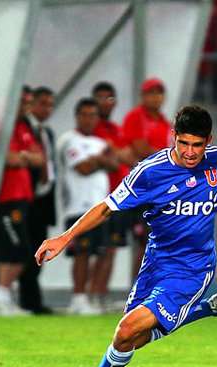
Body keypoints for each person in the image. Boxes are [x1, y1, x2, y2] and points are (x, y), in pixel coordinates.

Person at [35, 105, 217, 367]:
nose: (190, 152)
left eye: (197, 145)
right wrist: (64, 237)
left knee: (127, 329)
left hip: (194, 268)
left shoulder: (216, 159)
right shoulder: (149, 172)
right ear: (173, 136)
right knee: (130, 338)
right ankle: (205, 309)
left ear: (208, 141)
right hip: (156, 262)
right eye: (183, 143)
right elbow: (106, 207)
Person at [58, 98, 119, 315]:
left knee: (99, 252)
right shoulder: (70, 140)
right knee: (81, 254)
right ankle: (78, 298)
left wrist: (97, 160)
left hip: (99, 207)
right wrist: (101, 160)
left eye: (93, 115)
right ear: (77, 117)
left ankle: (90, 296)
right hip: (78, 207)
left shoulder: (98, 142)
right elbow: (82, 168)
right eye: (84, 115)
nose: (89, 119)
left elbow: (114, 164)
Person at [0, 86, 46, 316]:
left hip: (22, 197)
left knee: (21, 250)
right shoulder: (1, 126)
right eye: (23, 101)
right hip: (7, 197)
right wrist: (24, 156)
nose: (26, 107)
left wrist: (23, 156)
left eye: (29, 103)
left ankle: (3, 296)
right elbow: (9, 159)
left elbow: (39, 158)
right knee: (14, 248)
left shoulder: (22, 127)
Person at [90, 81, 137, 311]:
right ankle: (89, 295)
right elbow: (105, 156)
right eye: (100, 98)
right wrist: (117, 155)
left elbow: (129, 157)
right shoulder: (92, 129)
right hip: (99, 197)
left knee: (111, 249)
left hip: (120, 197)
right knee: (97, 249)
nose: (105, 103)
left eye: (109, 98)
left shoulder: (116, 129)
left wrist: (115, 153)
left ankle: (100, 295)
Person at [121, 78, 172, 281]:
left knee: (154, 241)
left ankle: (148, 286)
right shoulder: (136, 117)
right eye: (152, 93)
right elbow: (140, 149)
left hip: (158, 189)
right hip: (140, 188)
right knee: (143, 240)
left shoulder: (164, 122)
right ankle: (138, 289)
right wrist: (168, 157)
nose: (156, 98)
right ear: (143, 96)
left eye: (159, 93)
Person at [21, 86, 57, 314]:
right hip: (26, 197)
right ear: (32, 104)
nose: (47, 108)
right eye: (42, 103)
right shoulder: (22, 127)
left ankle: (32, 300)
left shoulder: (47, 132)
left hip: (43, 199)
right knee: (21, 249)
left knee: (38, 249)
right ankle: (23, 298)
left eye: (50, 104)